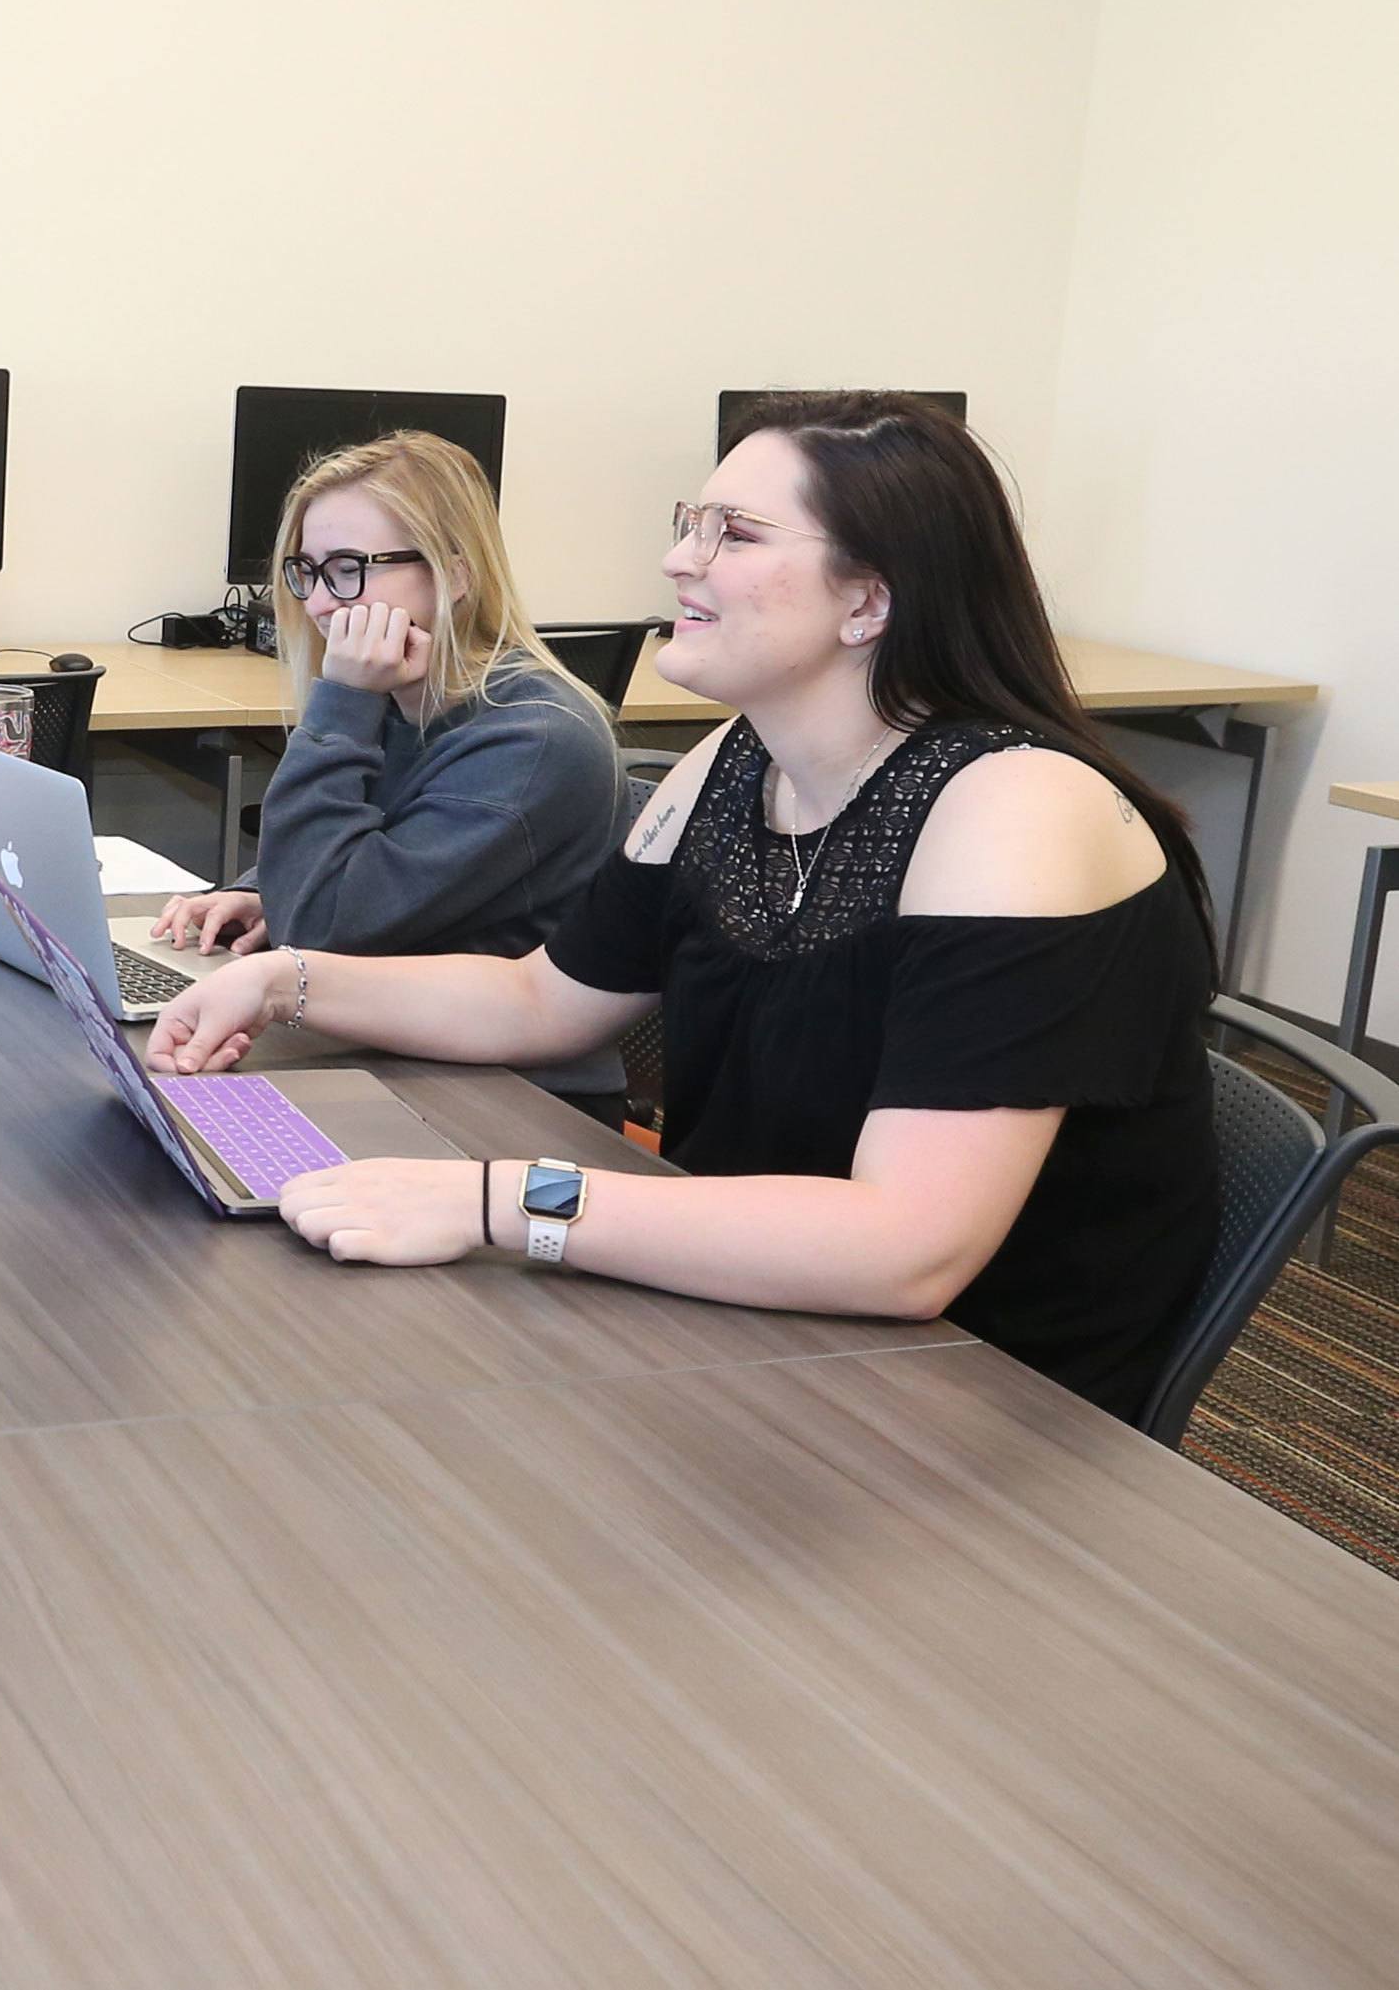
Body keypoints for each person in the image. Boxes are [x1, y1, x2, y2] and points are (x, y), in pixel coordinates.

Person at [150, 393, 1218, 1419]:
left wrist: (493, 1201)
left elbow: (908, 1250)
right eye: (688, 525)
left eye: (735, 535)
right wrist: (288, 980)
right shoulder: (733, 763)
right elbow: (540, 1001)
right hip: (751, 1317)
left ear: (869, 600)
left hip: (971, 1393)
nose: (677, 560)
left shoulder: (1014, 811)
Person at [151, 430, 624, 1116]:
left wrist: (340, 704)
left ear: (454, 575)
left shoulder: (534, 739)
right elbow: (382, 856)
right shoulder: (406, 699)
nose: (316, 603)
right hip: (391, 1050)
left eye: (348, 568)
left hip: (513, 1102)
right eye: (306, 570)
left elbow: (320, 928)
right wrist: (259, 891)